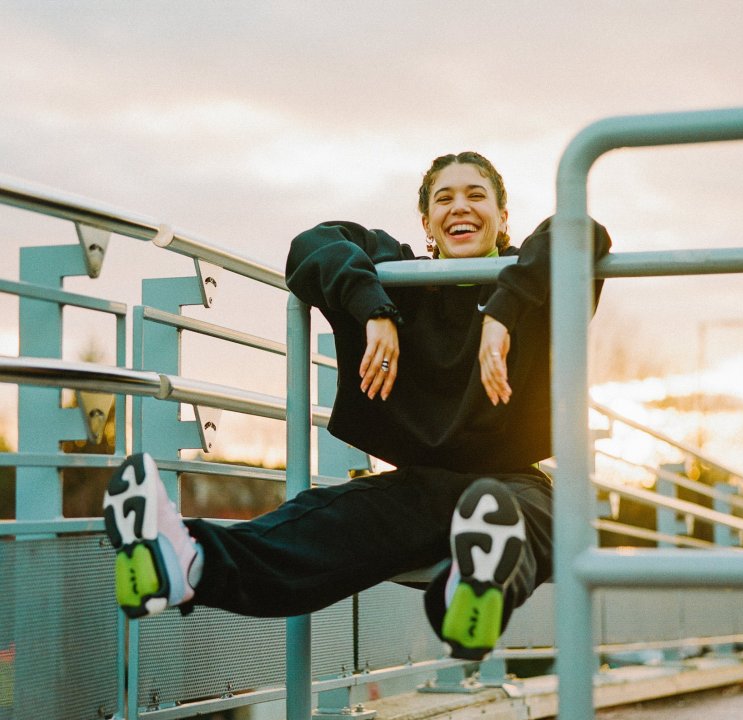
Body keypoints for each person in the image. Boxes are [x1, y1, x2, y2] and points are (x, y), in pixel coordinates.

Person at [104, 151, 611, 660]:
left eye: (477, 195)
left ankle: (470, 593)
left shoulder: (535, 280)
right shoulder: (400, 279)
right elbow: (314, 244)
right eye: (445, 197)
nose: (461, 207)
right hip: (419, 485)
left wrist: (504, 309)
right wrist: (375, 308)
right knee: (325, 521)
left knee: (540, 515)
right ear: (428, 222)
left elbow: (581, 230)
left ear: (503, 218)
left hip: (511, 483)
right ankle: (185, 560)